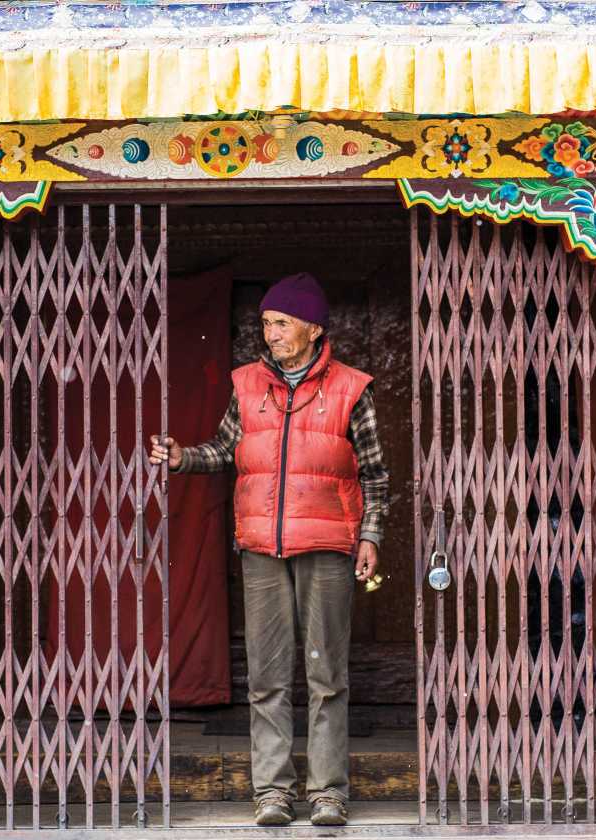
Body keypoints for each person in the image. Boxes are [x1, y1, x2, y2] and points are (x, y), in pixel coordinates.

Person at [149, 272, 388, 827]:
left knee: (327, 674)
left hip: (328, 542)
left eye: (281, 323)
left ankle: (328, 793)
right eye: (266, 323)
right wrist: (185, 457)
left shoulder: (353, 387)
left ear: (313, 329)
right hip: (260, 544)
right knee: (267, 676)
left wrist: (371, 535)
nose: (271, 333)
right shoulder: (247, 385)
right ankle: (273, 793)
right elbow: (226, 450)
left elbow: (375, 474)